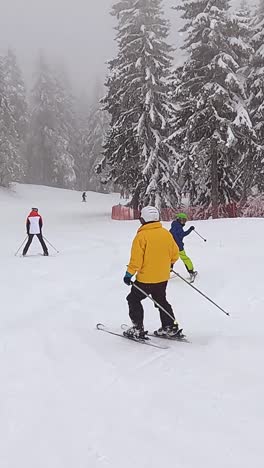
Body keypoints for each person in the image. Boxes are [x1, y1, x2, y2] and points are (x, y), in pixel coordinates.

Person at [123, 205, 184, 339]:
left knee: (133, 299)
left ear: (144, 219)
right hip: (162, 278)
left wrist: (129, 275)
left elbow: (136, 260)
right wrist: (170, 264)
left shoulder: (141, 236)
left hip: (145, 279)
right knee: (161, 300)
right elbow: (175, 253)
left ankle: (137, 328)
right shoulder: (166, 234)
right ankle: (170, 327)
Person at [170, 212, 197, 281]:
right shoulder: (178, 227)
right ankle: (191, 272)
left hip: (171, 246)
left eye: (185, 220)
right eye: (183, 220)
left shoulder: (174, 226)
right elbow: (182, 235)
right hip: (178, 247)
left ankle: (167, 271)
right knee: (185, 259)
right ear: (178, 219)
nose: (184, 222)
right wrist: (190, 230)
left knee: (171, 259)